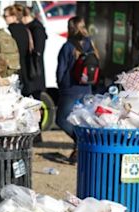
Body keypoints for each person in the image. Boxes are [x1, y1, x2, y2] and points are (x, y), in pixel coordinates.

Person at [56, 16, 99, 164]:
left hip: (70, 89)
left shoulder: (68, 46)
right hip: (87, 88)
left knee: (61, 119)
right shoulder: (90, 44)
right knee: (82, 120)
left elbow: (61, 71)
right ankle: (79, 151)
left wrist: (60, 85)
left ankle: (80, 141)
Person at [21, 5, 47, 100]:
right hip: (33, 71)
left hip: (33, 71)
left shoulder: (36, 29)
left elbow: (38, 50)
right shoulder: (34, 27)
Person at [3, 5, 29, 95]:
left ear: (14, 17)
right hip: (24, 66)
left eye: (5, 16)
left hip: (14, 67)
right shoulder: (24, 28)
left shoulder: (10, 30)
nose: (4, 18)